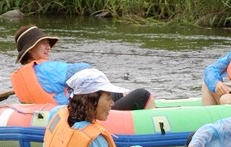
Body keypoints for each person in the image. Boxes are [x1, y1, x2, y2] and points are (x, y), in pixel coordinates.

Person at [41, 68, 182, 147]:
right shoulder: (94, 141)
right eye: (108, 98)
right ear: (91, 100)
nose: (112, 103)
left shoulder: (58, 113)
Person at [12, 25, 155, 110]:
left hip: (52, 114)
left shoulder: (24, 74)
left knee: (115, 94)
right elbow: (83, 70)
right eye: (43, 43)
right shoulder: (47, 68)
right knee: (142, 95)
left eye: (48, 43)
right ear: (30, 50)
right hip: (75, 113)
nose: (48, 47)